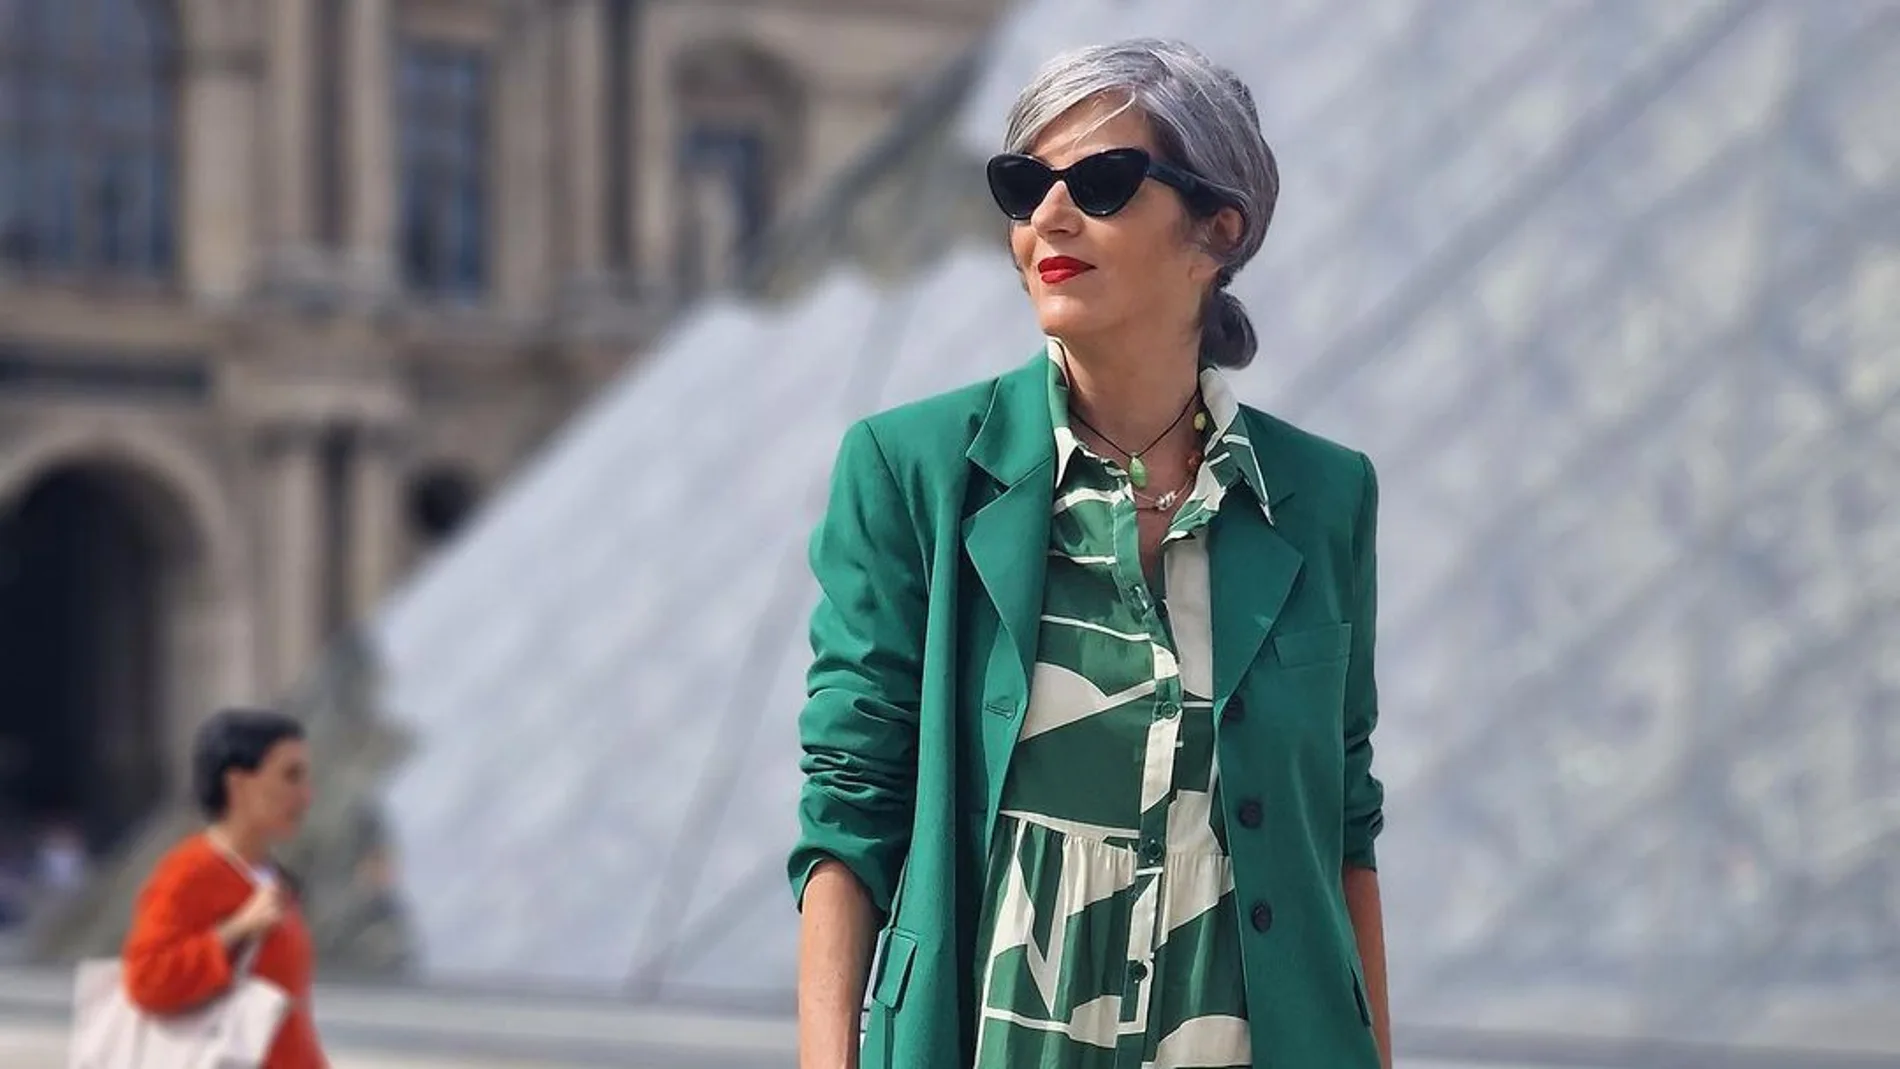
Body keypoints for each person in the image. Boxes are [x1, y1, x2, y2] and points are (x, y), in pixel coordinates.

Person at [789, 38, 1391, 1069]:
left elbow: (1343, 827)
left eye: (1102, 183)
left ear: (1217, 227)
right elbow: (849, 808)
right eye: (1024, 186)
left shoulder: (1322, 497)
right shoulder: (912, 471)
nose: (1048, 219)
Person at [122, 708, 326, 1068]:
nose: (306, 795)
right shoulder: (189, 871)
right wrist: (235, 931)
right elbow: (146, 979)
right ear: (239, 785)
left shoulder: (271, 876)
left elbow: (291, 1023)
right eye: (290, 777)